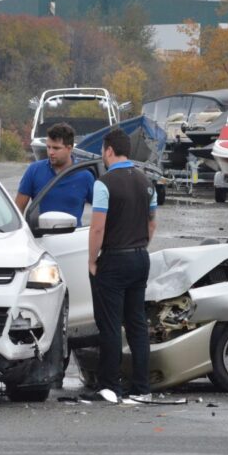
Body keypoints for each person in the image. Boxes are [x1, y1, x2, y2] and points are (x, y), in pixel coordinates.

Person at [85, 127, 157, 404]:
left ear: (109, 150)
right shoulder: (146, 182)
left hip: (114, 258)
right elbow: (152, 222)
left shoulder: (104, 183)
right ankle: (141, 389)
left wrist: (92, 260)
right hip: (140, 257)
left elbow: (97, 228)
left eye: (103, 151)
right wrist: (141, 246)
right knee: (137, 324)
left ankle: (110, 387)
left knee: (111, 326)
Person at [15, 123, 93, 227]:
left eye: (56, 148)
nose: (50, 152)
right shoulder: (34, 170)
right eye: (48, 147)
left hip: (73, 239)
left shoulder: (85, 176)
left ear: (69, 148)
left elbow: (102, 210)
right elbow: (18, 208)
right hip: (39, 238)